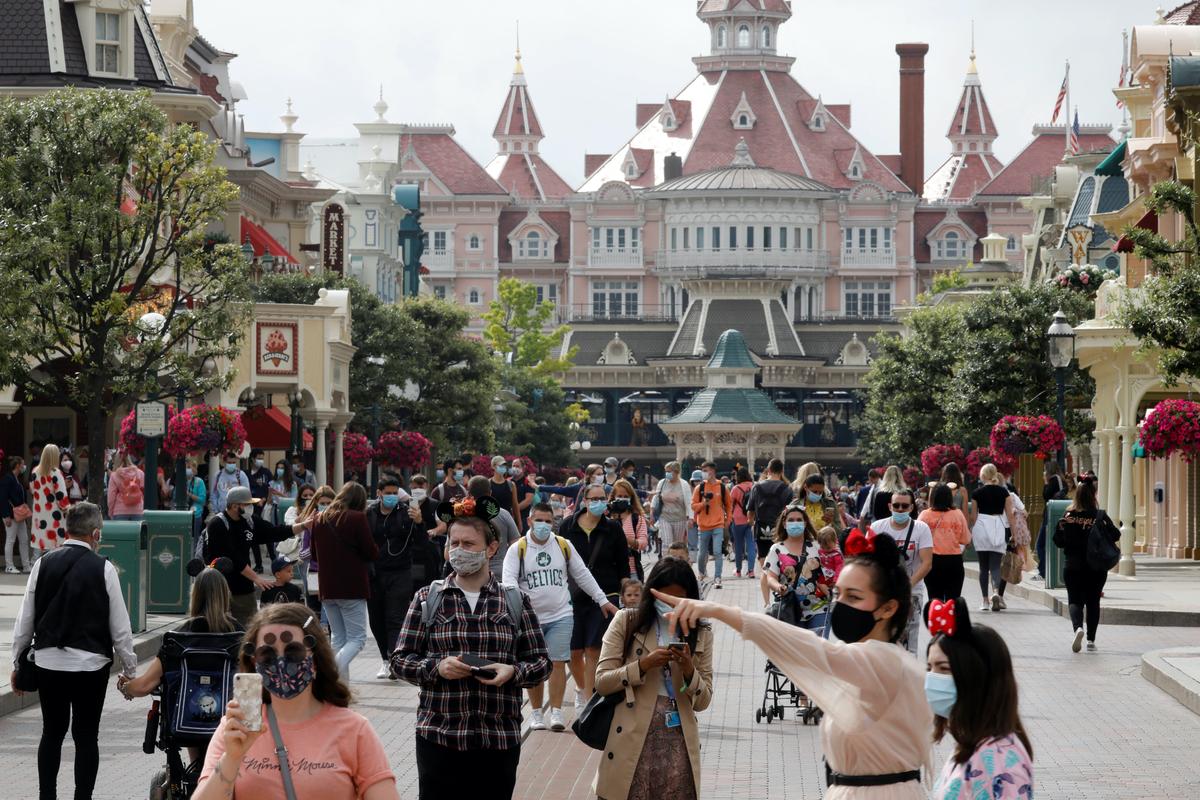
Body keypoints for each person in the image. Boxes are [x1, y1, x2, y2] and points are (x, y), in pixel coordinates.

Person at [656, 533, 932, 797]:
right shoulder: (880, 661)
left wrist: (718, 610)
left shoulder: (883, 662)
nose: (840, 604)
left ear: (889, 608)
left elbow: (809, 647)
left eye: (854, 597)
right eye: (838, 594)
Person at [393, 509, 551, 800]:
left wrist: (513, 672)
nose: (459, 551)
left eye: (468, 544)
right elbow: (401, 660)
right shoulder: (428, 598)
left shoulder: (514, 600)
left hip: (498, 739)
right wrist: (436, 667)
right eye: (454, 543)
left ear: (491, 548)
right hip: (439, 737)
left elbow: (541, 663)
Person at [195, 603, 400, 800]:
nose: (281, 662)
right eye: (267, 654)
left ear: (315, 660)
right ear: (254, 662)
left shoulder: (354, 730)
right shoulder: (235, 731)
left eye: (293, 651)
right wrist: (231, 758)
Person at [10, 501, 137, 800]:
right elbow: (120, 627)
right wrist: (130, 670)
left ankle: (47, 795)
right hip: (91, 665)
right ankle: (83, 796)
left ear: (66, 530)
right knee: (86, 736)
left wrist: (18, 662)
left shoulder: (42, 564)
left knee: (51, 733)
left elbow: (25, 620)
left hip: (49, 662)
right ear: (95, 534)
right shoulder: (104, 568)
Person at [595, 557, 713, 800]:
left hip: (678, 741)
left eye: (678, 599)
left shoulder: (701, 633)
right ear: (652, 593)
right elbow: (602, 682)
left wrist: (689, 669)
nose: (671, 605)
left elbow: (703, 701)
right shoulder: (627, 621)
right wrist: (642, 666)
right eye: (665, 597)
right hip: (632, 735)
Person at [503, 502, 616, 732]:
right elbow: (509, 582)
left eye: (548, 521)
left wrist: (602, 599)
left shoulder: (563, 545)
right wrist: (515, 611)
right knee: (534, 664)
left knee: (557, 662)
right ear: (529, 521)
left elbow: (582, 574)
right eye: (539, 520)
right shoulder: (518, 549)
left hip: (561, 615)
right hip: (530, 618)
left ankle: (555, 711)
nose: (544, 525)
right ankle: (536, 712)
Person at [924, 598, 1034, 798]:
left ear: (977, 676)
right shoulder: (972, 744)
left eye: (944, 669)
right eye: (929, 668)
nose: (932, 678)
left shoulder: (999, 758)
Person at [559, 480, 630, 711]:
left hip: (605, 596)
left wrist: (625, 593)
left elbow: (623, 564)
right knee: (573, 651)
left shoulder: (613, 528)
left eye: (602, 499)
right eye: (594, 499)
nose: (599, 503)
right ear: (585, 501)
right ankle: (581, 689)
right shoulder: (568, 526)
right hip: (573, 596)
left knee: (593, 649)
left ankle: (589, 701)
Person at [308, 482, 379, 680]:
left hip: (327, 587)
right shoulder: (357, 518)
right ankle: (328, 672)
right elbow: (370, 552)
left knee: (338, 639)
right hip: (352, 587)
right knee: (357, 639)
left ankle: (340, 688)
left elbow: (314, 554)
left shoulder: (320, 518)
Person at [201, 486, 302, 626]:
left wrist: (303, 526)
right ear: (235, 506)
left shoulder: (249, 521)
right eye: (247, 504)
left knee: (248, 626)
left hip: (243, 586)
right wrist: (256, 578)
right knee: (218, 626)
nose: (251, 507)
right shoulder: (217, 524)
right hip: (220, 586)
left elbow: (274, 532)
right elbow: (233, 558)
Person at [366, 476, 426, 680]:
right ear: (379, 493)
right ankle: (385, 658)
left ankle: (394, 660)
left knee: (395, 618)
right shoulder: (369, 514)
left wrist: (419, 522)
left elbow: (421, 542)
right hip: (375, 574)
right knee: (376, 619)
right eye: (387, 493)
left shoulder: (406, 513)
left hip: (400, 573)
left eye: (395, 493)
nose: (392, 496)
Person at [1053, 477, 1119, 652]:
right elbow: (1116, 535)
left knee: (1075, 600)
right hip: (1096, 567)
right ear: (1093, 495)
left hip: (1072, 566)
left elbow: (1058, 541)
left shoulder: (1068, 516)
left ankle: (1078, 628)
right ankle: (1090, 639)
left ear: (1077, 495)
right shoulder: (1099, 516)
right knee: (1093, 601)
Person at [867, 488, 932, 658]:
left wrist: (906, 586)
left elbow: (927, 563)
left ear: (911, 507)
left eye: (904, 506)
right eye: (896, 505)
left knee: (909, 640)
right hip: (883, 593)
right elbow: (867, 560)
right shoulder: (877, 527)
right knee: (882, 638)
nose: (900, 509)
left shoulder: (921, 529)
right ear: (890, 506)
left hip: (912, 592)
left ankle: (908, 672)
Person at [762, 504, 831, 633]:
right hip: (790, 611)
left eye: (799, 520)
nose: (795, 523)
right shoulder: (776, 549)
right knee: (796, 646)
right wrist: (779, 587)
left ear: (805, 523)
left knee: (818, 645)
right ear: (784, 523)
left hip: (819, 608)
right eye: (791, 520)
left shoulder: (817, 546)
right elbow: (770, 578)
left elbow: (829, 572)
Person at [970, 464, 1015, 613]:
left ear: (983, 476)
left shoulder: (976, 493)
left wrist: (971, 531)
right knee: (995, 566)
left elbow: (973, 516)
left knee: (983, 567)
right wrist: (1014, 534)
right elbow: (1010, 515)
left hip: (982, 526)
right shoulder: (1004, 492)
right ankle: (996, 592)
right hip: (998, 526)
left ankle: (984, 601)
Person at [918, 483, 973, 603]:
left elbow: (918, 539)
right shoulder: (958, 514)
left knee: (934, 600)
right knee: (952, 602)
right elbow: (966, 539)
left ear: (932, 497)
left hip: (932, 561)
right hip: (954, 561)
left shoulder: (924, 515)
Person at [746, 458, 793, 582]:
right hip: (779, 529)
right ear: (782, 471)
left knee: (763, 561)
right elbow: (789, 511)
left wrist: (751, 522)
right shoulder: (787, 489)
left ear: (769, 470)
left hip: (760, 528)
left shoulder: (756, 487)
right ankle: (778, 583)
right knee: (780, 557)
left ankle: (768, 584)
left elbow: (750, 511)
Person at [691, 461, 731, 587]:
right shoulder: (699, 488)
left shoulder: (722, 487)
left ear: (712, 471)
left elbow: (729, 505)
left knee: (717, 552)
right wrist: (704, 504)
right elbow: (693, 506)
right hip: (703, 526)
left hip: (718, 524)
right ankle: (701, 574)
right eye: (702, 471)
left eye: (705, 470)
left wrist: (728, 520)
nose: (703, 473)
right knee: (702, 553)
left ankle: (717, 577)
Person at [609, 478, 648, 581]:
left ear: (631, 498)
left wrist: (626, 540)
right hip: (610, 569)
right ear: (613, 497)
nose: (622, 499)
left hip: (632, 570)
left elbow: (643, 542)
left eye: (626, 496)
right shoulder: (606, 516)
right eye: (619, 496)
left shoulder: (637, 519)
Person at [1035, 461, 1069, 580]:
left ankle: (1043, 572)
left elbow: (1046, 495)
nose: (1044, 472)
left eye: (1045, 470)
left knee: (1040, 544)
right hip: (1052, 514)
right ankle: (1044, 571)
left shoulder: (1055, 480)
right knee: (1043, 544)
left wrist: (1046, 483)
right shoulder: (1059, 480)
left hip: (1051, 515)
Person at [2, 455, 32, 573]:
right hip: (11, 514)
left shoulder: (17, 479)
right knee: (11, 540)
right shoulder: (7, 479)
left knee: (24, 539)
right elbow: (3, 498)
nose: (24, 466)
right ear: (18, 465)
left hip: (20, 515)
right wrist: (6, 515)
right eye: (23, 464)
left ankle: (26, 565)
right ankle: (9, 566)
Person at [650, 461, 689, 549]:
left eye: (669, 471)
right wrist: (652, 513)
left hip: (680, 518)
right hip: (665, 517)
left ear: (676, 472)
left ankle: (676, 558)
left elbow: (688, 502)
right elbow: (656, 498)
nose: (667, 474)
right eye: (666, 471)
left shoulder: (684, 484)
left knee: (677, 544)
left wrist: (690, 518)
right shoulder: (662, 482)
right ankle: (667, 558)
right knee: (667, 543)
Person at [729, 467, 756, 579]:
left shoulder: (736, 488)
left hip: (738, 519)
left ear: (738, 476)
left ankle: (738, 570)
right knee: (751, 545)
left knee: (739, 546)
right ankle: (751, 571)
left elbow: (730, 504)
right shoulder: (754, 487)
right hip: (751, 519)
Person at [106, 450, 143, 523]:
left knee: (120, 531)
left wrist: (111, 512)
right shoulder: (139, 473)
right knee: (137, 531)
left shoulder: (114, 475)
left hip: (120, 511)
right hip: (138, 510)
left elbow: (111, 497)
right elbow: (143, 490)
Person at [209, 451, 249, 516]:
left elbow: (246, 494)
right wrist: (216, 510)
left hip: (237, 513)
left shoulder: (241, 475)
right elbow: (214, 494)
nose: (232, 464)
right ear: (224, 462)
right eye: (229, 463)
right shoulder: (218, 475)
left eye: (234, 463)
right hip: (221, 512)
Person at [183, 458, 207, 557]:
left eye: (190, 467)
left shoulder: (199, 482)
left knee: (195, 538)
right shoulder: (182, 481)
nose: (188, 469)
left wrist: (189, 494)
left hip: (196, 514)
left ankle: (194, 557)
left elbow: (202, 500)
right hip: (183, 513)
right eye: (186, 467)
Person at [489, 455, 522, 523]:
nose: (503, 467)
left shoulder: (511, 485)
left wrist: (519, 523)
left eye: (504, 465)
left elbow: (515, 505)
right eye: (500, 465)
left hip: (508, 521)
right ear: (493, 466)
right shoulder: (487, 484)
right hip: (492, 521)